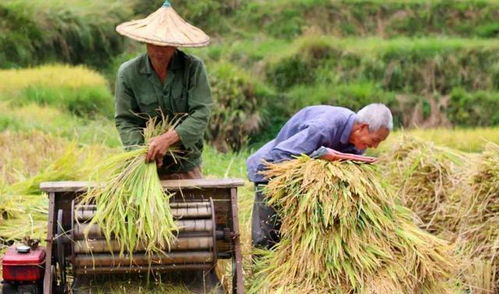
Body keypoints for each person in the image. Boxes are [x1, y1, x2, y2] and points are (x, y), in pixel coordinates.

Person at [247, 103, 393, 249]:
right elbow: (281, 155)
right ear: (362, 127)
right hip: (271, 172)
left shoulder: (356, 143)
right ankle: (258, 270)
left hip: (302, 185)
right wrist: (318, 157)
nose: (375, 147)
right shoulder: (324, 127)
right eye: (375, 140)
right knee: (267, 237)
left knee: (292, 239)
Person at [114, 0, 212, 180]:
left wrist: (168, 139)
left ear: (176, 44)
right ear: (145, 41)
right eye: (154, 43)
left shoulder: (193, 69)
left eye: (166, 44)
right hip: (144, 165)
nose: (159, 50)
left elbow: (201, 113)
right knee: (141, 207)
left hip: (186, 163)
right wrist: (143, 151)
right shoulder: (128, 73)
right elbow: (125, 120)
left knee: (195, 207)